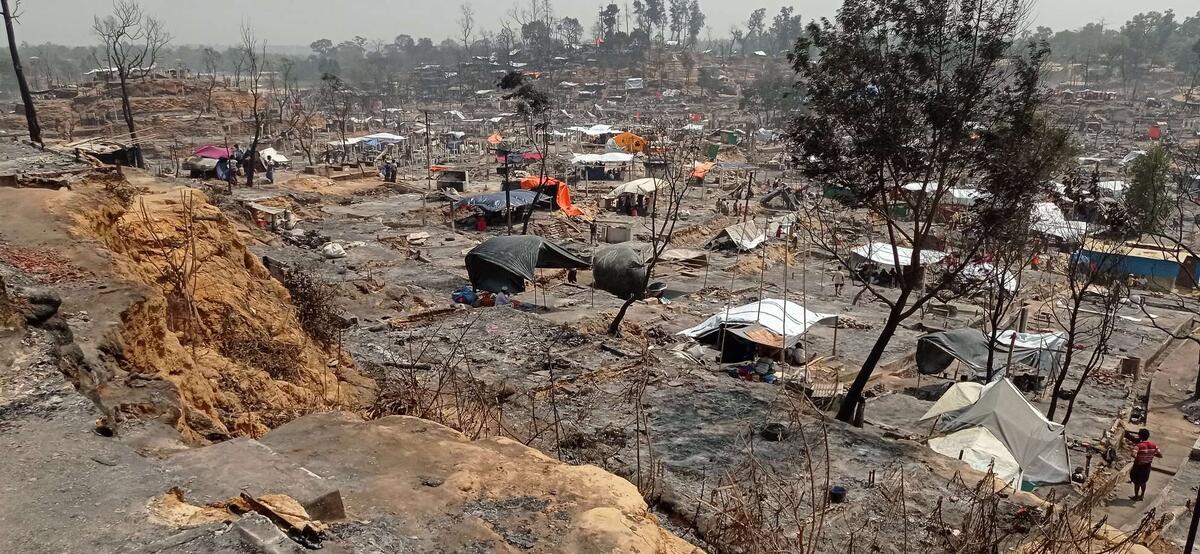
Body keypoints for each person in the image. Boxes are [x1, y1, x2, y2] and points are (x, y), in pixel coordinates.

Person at [1130, 428, 1162, 501]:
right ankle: (1142, 496)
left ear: (1140, 436)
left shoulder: (1139, 446)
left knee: (1137, 482)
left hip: (1138, 465)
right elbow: (1160, 455)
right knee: (1143, 481)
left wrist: (1140, 457)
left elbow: (1133, 454)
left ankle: (1136, 496)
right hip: (1147, 466)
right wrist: (1151, 454)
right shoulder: (1154, 445)